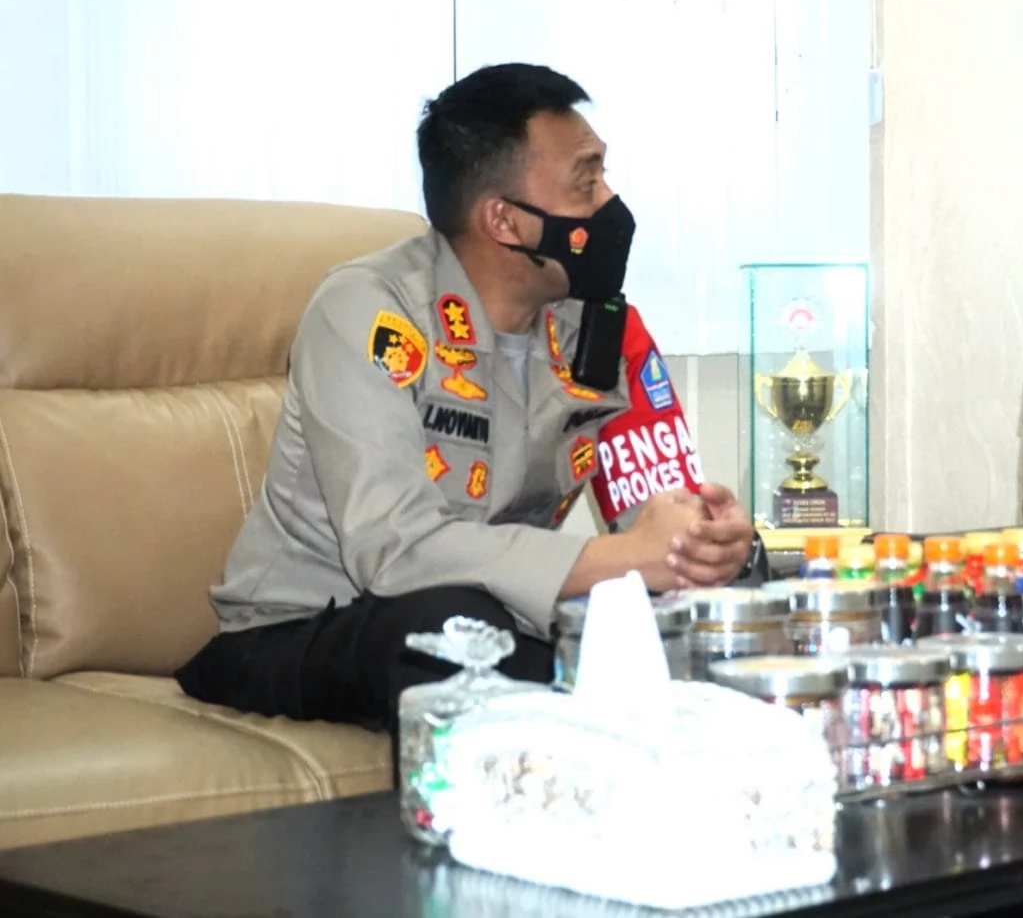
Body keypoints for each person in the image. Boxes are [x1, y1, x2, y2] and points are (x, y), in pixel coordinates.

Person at [177, 62, 757, 735]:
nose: (610, 202)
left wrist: (708, 546)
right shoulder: (368, 310)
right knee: (449, 626)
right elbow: (394, 552)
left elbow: (653, 515)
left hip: (499, 619)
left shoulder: (593, 326)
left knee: (708, 626)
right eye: (587, 180)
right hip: (304, 628)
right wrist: (622, 560)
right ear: (504, 220)